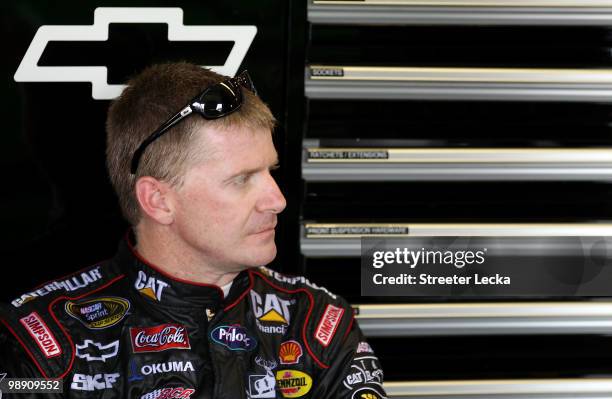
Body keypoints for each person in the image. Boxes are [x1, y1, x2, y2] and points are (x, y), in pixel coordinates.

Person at [0, 62, 386, 399]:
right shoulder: (40, 343)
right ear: (158, 201)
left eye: (271, 172)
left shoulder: (316, 324)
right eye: (241, 179)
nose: (277, 200)